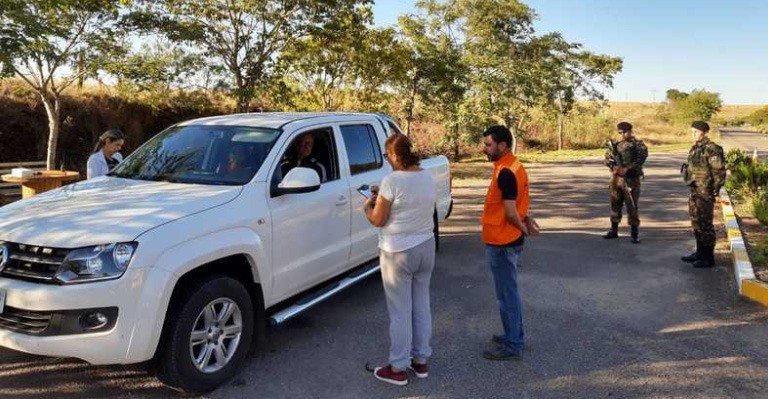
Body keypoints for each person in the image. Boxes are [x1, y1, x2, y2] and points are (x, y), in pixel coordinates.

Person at [363, 134, 437, 386]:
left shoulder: (391, 181)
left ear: (394, 155)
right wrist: (381, 193)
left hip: (398, 252)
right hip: (426, 246)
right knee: (421, 304)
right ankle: (420, 361)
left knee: (400, 312)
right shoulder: (426, 176)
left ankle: (397, 367)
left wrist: (367, 207)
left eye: (387, 156)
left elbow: (378, 219)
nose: (387, 161)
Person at [480, 125, 539, 362]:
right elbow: (519, 201)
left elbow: (510, 211)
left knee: (507, 294)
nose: (484, 148)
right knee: (506, 293)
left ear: (502, 145)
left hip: (503, 240)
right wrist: (525, 222)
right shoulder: (513, 165)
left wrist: (523, 226)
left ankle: (514, 344)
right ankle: (513, 335)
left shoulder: (506, 171)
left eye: (488, 144)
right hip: (505, 238)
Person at [681, 121, 726, 268]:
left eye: (696, 131)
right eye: (692, 131)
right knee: (696, 222)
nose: (693, 134)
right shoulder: (695, 148)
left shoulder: (712, 149)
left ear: (704, 132)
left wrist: (715, 191)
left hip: (705, 192)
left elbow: (718, 172)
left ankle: (708, 257)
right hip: (694, 190)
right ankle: (699, 252)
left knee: (705, 224)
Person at [602, 122, 648, 243]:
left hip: (631, 179)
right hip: (616, 179)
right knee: (615, 203)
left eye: (625, 132)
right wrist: (613, 167)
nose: (622, 134)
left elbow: (641, 159)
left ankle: (634, 233)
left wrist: (627, 169)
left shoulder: (638, 145)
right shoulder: (616, 145)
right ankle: (614, 230)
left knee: (632, 205)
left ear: (630, 131)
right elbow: (607, 159)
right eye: (620, 132)